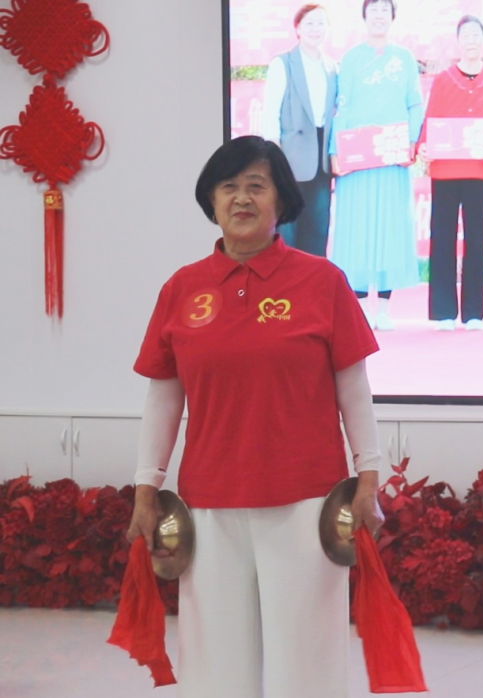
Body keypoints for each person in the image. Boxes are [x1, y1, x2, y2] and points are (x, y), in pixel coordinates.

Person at [127, 136, 384, 698]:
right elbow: (164, 397)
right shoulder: (181, 288)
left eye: (256, 186)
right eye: (228, 187)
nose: (241, 199)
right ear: (211, 200)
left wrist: (369, 475)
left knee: (307, 662)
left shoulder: (322, 281)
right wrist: (147, 486)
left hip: (306, 500)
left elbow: (353, 388)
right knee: (215, 662)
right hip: (209, 501)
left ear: (281, 201)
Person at [329, 0, 423, 331]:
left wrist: (410, 143)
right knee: (356, 229)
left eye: (385, 9)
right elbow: (341, 106)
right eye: (374, 9)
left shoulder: (404, 58)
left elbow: (415, 103)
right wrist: (336, 152)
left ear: (392, 17)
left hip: (391, 158)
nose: (379, 14)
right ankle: (358, 308)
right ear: (365, 16)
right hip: (356, 161)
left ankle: (382, 308)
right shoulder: (351, 59)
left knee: (388, 228)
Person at [418, 15, 483, 331]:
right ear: (458, 41)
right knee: (442, 237)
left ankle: (473, 312)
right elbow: (431, 119)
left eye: (476, 35)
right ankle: (443, 312)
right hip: (445, 170)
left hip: (478, 169)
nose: (471, 40)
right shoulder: (443, 79)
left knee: (476, 238)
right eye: (466, 35)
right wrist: (423, 146)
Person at [261, 4, 336, 257]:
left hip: (321, 160)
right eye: (309, 23)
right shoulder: (283, 63)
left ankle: (314, 281)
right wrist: (274, 156)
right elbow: (271, 112)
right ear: (297, 28)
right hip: (290, 157)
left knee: (318, 229)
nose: (316, 29)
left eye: (321, 23)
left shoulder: (332, 68)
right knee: (287, 229)